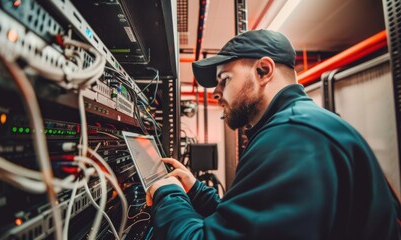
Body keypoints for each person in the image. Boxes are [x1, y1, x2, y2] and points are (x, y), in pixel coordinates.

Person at [145, 29, 401, 239]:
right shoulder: (298, 124)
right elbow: (253, 219)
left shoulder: (294, 136)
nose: (216, 93)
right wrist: (196, 191)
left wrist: (168, 193)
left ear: (263, 71)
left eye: (224, 79)